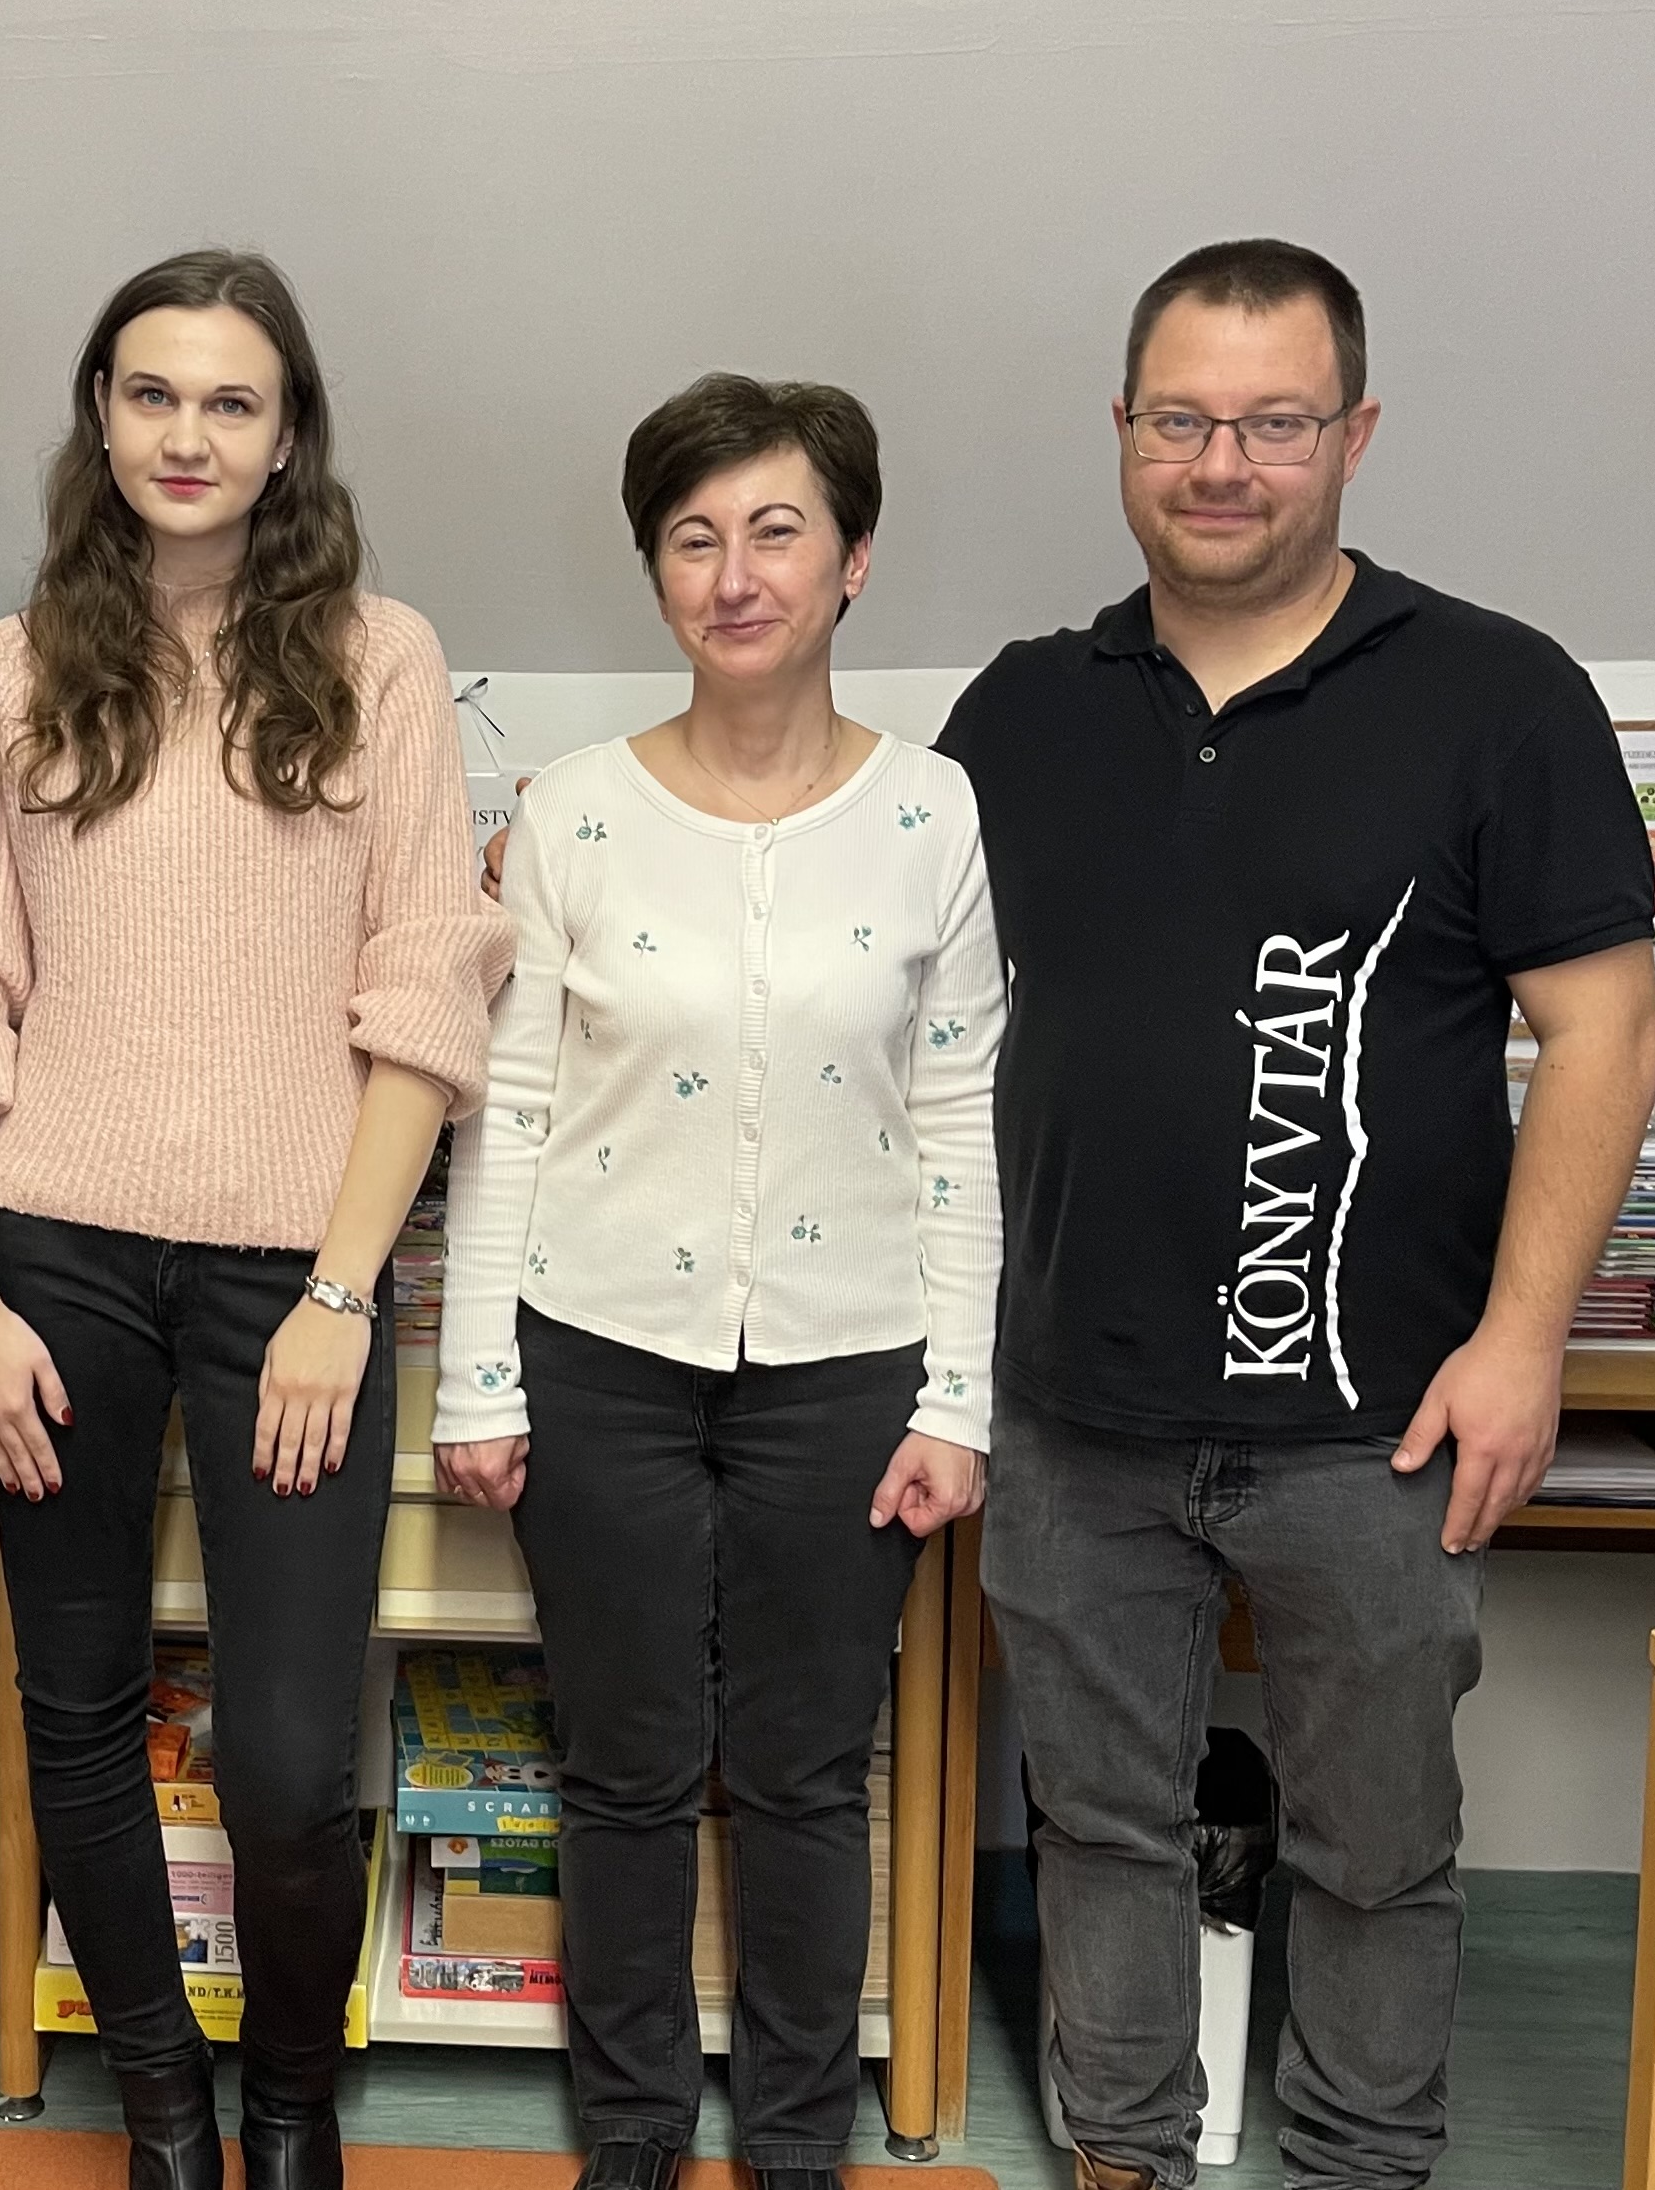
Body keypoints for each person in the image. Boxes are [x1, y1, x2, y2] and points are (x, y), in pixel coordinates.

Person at [934, 240, 1655, 2190]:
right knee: (1099, 1830)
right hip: (1072, 1411)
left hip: (1383, 1423)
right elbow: (911, 1019)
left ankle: (1359, 2167)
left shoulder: (1498, 695)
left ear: (1355, 434)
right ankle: (1125, 2157)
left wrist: (1523, 1343)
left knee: (1375, 1851)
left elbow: (1606, 1030)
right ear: (1122, 431)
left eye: (1273, 423)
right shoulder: (1021, 711)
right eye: (1182, 419)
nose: (1222, 464)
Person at [0, 248, 507, 2190]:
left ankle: (290, 2106)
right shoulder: (10, 673)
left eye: (231, 401)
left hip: (290, 1280)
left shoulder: (379, 660)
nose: (188, 434)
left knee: (290, 1758)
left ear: (287, 433)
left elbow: (424, 986)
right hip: (52, 1258)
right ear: (100, 415)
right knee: (74, 1708)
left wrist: (341, 1291)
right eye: (152, 393)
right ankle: (164, 2109)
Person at [433, 374, 1002, 2190]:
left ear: (853, 560)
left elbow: (960, 1114)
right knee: (620, 1766)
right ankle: (628, 2137)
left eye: (775, 531)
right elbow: (512, 1107)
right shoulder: (575, 814)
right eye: (693, 539)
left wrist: (958, 1399)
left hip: (850, 1361)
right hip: (598, 1349)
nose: (734, 575)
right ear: (656, 570)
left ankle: (796, 2147)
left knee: (805, 1775)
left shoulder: (932, 814)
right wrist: (475, 1378)